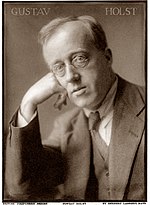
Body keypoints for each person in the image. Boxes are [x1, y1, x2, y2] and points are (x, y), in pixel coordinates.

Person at [5, 15, 145, 201]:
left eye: (79, 58)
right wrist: (28, 101)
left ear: (107, 57)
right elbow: (22, 189)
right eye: (59, 68)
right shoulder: (66, 128)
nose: (70, 77)